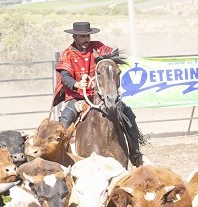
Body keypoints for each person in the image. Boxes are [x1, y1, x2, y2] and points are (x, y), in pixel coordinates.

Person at [52, 21, 143, 166]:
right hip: (78, 97)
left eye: (87, 36)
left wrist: (112, 57)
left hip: (101, 95)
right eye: (82, 36)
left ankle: (134, 152)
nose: (86, 39)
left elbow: (111, 56)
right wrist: (76, 84)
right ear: (74, 36)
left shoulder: (99, 47)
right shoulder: (67, 54)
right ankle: (58, 157)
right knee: (65, 121)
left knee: (127, 113)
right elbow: (65, 77)